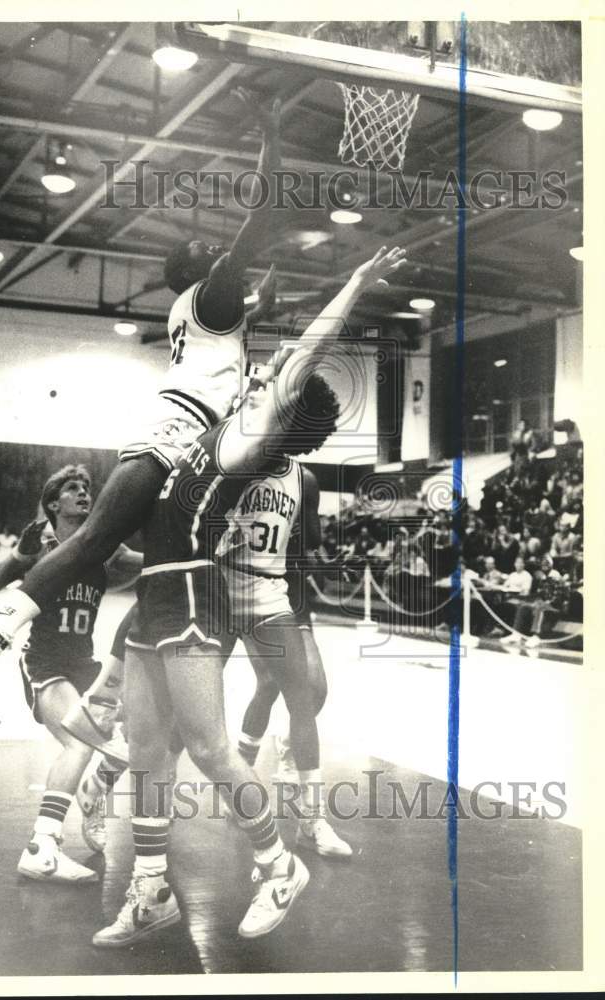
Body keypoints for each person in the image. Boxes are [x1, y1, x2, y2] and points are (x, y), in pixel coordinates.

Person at [92, 245, 406, 949]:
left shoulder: (247, 439)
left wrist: (352, 281)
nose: (258, 376)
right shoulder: (209, 426)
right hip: (155, 597)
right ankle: (150, 892)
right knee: (148, 749)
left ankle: (277, 864)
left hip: (195, 602)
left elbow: (309, 347)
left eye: (268, 383)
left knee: (209, 749)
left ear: (276, 412)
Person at [0, 95, 284, 666]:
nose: (218, 251)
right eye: (208, 252)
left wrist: (267, 296)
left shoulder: (208, 311)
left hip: (199, 439)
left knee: (152, 560)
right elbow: (258, 221)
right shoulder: (211, 292)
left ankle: (119, 681)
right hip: (176, 427)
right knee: (95, 539)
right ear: (199, 272)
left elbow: (252, 309)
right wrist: (272, 140)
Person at [0, 465, 141, 880]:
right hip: (46, 662)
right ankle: (42, 847)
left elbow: (143, 562)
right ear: (55, 502)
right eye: (73, 489)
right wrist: (19, 554)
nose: (84, 494)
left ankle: (95, 793)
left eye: (87, 488)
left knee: (142, 733)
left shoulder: (103, 544)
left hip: (84, 663)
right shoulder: (41, 544)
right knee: (79, 743)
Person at [218, 458, 350, 858]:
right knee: (191, 701)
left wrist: (323, 561)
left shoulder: (303, 480)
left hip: (281, 591)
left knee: (310, 689)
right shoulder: (232, 463)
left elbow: (309, 539)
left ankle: (308, 806)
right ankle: (235, 768)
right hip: (223, 588)